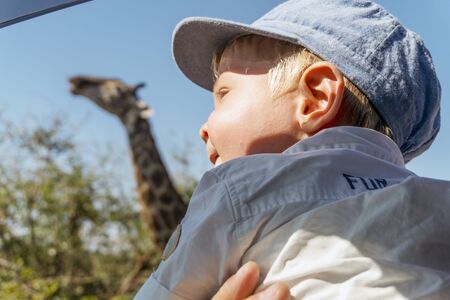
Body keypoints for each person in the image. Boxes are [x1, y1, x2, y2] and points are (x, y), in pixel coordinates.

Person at [134, 0, 450, 299]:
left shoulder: (238, 188)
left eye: (224, 94)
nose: (204, 127)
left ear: (315, 98)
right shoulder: (436, 199)